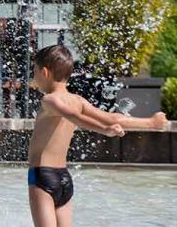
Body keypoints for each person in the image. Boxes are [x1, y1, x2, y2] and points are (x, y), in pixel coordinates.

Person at [27, 45, 168, 227]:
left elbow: (75, 117)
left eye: (35, 72)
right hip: (64, 178)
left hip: (42, 176)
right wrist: (150, 123)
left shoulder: (49, 100)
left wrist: (103, 130)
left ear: (44, 72)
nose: (34, 77)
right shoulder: (78, 100)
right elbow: (112, 117)